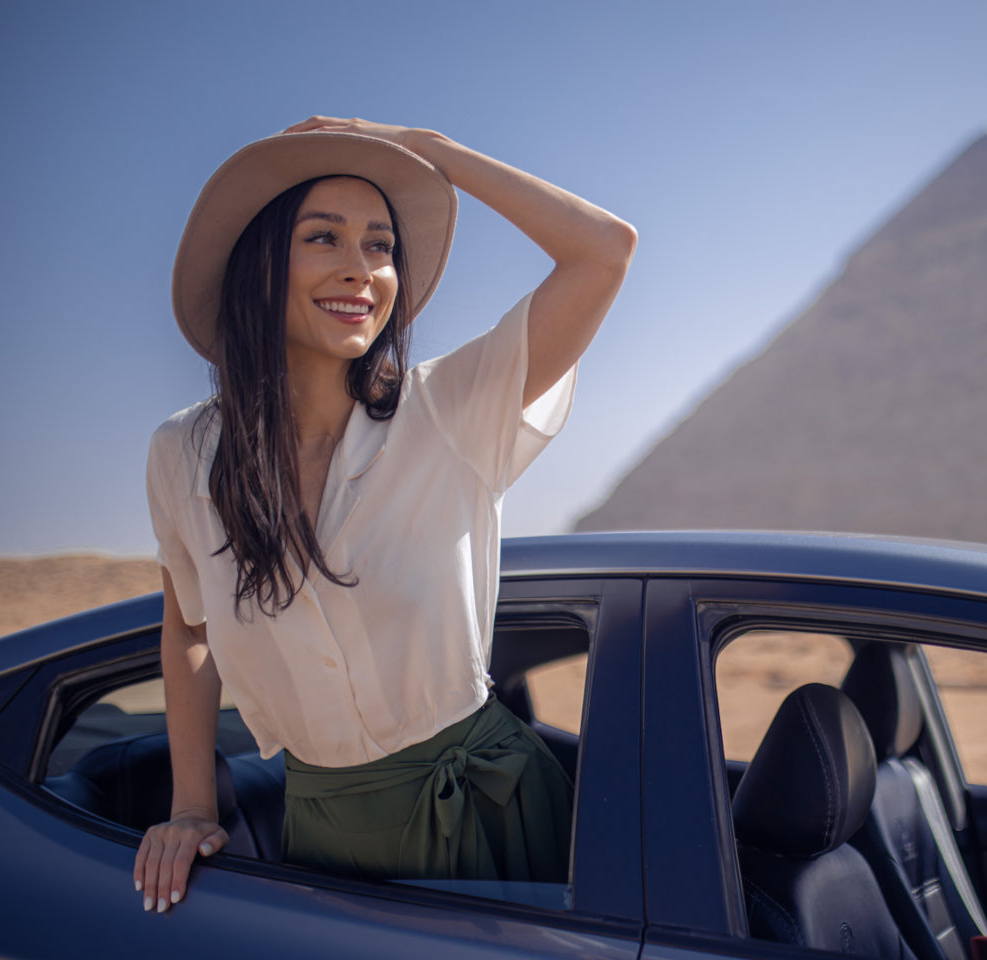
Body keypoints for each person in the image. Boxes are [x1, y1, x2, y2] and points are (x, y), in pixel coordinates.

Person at [133, 116, 636, 914]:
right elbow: (188, 630)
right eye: (324, 239)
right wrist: (191, 805)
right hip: (321, 837)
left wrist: (429, 151)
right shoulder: (183, 454)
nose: (361, 270)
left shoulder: (448, 409)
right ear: (261, 263)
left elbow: (603, 250)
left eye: (381, 244)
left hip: (491, 810)